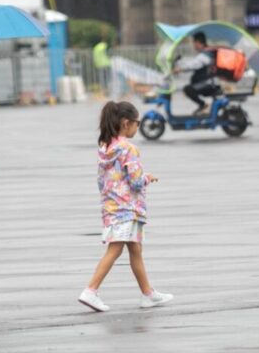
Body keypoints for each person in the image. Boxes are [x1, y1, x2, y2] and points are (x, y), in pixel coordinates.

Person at [78, 101, 174, 312]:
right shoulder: (129, 149)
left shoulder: (106, 148)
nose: (138, 127)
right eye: (137, 123)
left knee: (135, 249)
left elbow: (104, 181)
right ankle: (91, 290)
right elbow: (136, 181)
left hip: (111, 207)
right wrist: (147, 177)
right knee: (115, 250)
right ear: (126, 123)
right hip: (127, 208)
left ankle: (148, 293)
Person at [175, 32, 217, 116]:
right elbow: (193, 62)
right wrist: (180, 64)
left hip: (208, 83)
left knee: (188, 89)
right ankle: (204, 106)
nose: (193, 45)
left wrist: (180, 69)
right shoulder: (205, 52)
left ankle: (204, 105)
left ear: (198, 42)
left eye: (193, 43)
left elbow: (193, 65)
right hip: (208, 82)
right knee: (189, 86)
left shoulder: (205, 55)